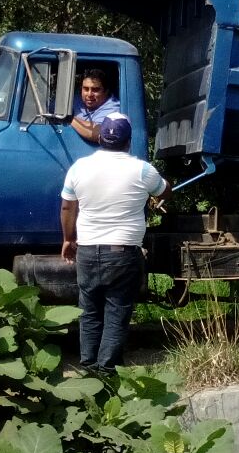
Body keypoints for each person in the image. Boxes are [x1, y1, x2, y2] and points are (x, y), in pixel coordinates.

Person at [59, 113, 168, 373]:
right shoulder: (142, 170)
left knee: (89, 312)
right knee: (117, 313)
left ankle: (88, 367)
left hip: (86, 250)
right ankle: (107, 372)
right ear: (128, 141)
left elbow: (67, 206)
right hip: (123, 253)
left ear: (100, 138)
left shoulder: (79, 168)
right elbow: (165, 191)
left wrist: (68, 239)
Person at [70, 69, 122, 143]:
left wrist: (68, 119)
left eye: (95, 90)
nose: (89, 94)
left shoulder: (113, 108)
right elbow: (49, 108)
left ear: (106, 92)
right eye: (86, 89)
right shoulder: (76, 99)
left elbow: (98, 134)